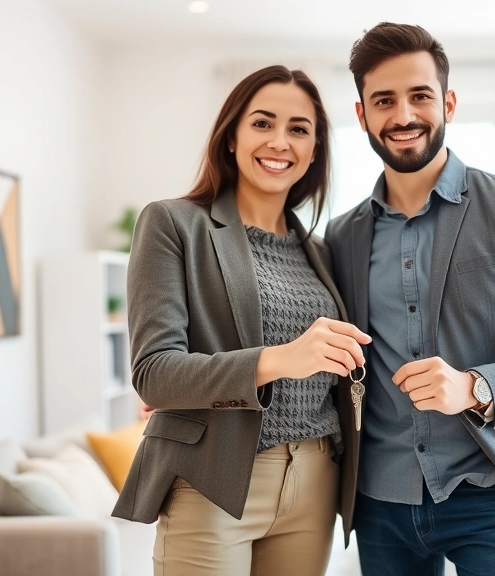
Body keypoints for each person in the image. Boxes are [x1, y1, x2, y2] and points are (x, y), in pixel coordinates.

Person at [324, 23, 495, 576]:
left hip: (490, 491)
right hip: (380, 501)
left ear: (447, 102)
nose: (403, 115)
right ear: (362, 115)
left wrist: (475, 386)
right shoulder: (342, 236)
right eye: (384, 100)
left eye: (419, 95)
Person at [112, 65, 371, 576]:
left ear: (315, 150)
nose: (280, 141)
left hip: (316, 477)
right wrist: (278, 360)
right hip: (214, 479)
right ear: (231, 135)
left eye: (299, 129)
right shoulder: (172, 224)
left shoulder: (320, 250)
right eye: (262, 123)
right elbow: (154, 373)